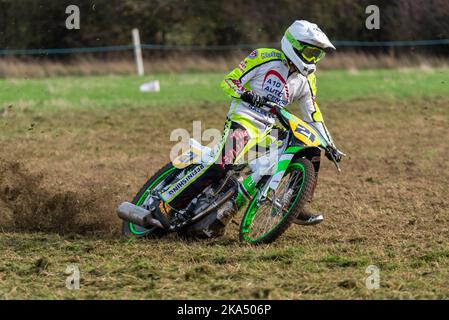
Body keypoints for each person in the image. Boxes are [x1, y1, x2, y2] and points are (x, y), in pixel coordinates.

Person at [156, 20, 344, 229]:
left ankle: (294, 202)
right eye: (311, 53)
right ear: (294, 46)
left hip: (268, 129)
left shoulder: (307, 80)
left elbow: (313, 115)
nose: (314, 60)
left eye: (318, 55)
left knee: (309, 148)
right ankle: (168, 202)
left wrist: (330, 145)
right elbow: (228, 81)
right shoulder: (264, 57)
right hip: (244, 119)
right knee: (223, 164)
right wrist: (248, 96)